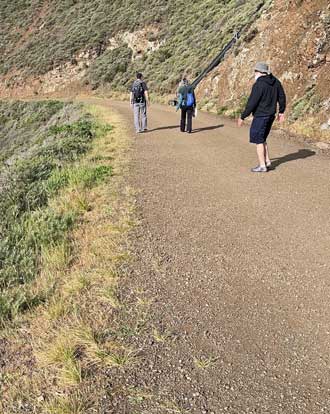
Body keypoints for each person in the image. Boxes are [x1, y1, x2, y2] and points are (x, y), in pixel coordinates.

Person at [238, 62, 286, 172]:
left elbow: (252, 103)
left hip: (260, 116)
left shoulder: (259, 84)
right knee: (263, 138)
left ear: (259, 72)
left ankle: (262, 166)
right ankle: (267, 161)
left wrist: (243, 116)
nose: (254, 74)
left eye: (255, 71)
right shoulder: (275, 82)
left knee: (258, 141)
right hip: (271, 115)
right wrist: (281, 112)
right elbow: (282, 96)